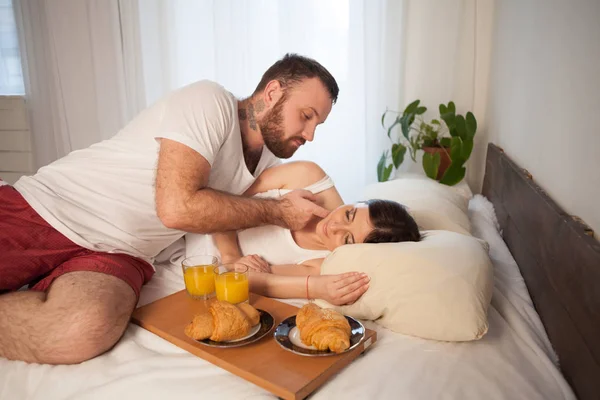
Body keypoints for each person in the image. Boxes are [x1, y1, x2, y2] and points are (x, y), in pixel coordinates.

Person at [0, 54, 352, 365]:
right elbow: (177, 208)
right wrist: (278, 212)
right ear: (273, 92)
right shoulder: (210, 101)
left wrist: (231, 259)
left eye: (316, 125)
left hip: (125, 253)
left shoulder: (269, 161)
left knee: (82, 332)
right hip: (54, 208)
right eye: (306, 116)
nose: (309, 135)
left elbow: (224, 214)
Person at [206, 161, 421, 306]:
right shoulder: (309, 178)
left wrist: (314, 287)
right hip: (192, 220)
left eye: (346, 239)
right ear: (358, 202)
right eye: (349, 214)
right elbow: (224, 200)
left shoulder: (322, 264)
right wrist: (231, 257)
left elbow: (252, 279)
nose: (334, 227)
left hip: (198, 277)